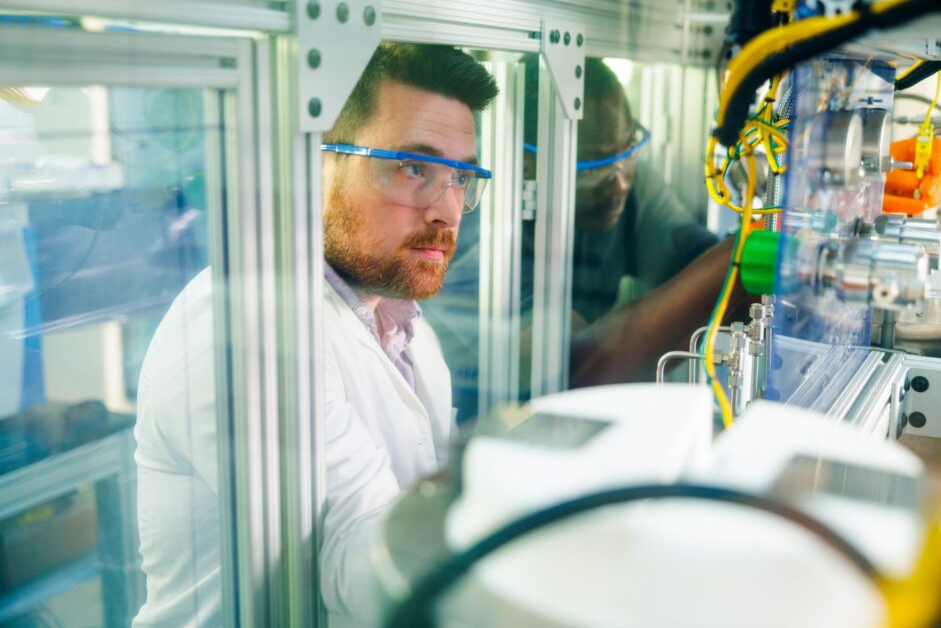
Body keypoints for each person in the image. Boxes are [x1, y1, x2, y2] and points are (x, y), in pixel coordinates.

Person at [133, 42, 498, 627]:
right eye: (414, 169)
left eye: (460, 177)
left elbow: (422, 511)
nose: (447, 211)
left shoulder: (402, 324)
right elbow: (358, 558)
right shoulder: (240, 324)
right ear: (313, 161)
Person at [423, 57, 736, 420]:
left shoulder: (627, 180)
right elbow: (577, 363)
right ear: (528, 163)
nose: (619, 184)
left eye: (628, 151)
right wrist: (736, 257)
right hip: (487, 423)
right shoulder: (474, 223)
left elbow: (709, 269)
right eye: (594, 167)